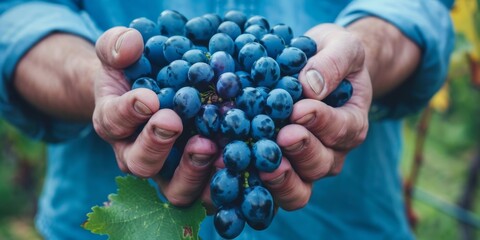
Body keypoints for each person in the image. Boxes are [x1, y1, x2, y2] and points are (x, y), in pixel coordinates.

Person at [0, 0, 454, 239]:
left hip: (345, 227)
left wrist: (364, 51)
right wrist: (94, 80)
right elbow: (16, 15)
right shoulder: (200, 88)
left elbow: (414, 7)